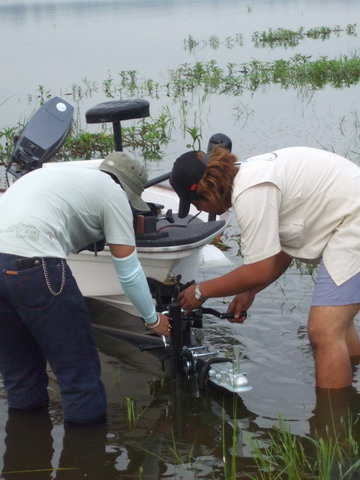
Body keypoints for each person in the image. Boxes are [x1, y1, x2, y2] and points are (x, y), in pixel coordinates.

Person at [169, 146, 360, 389]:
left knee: (324, 331)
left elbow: (259, 269)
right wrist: (250, 290)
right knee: (339, 326)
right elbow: (281, 250)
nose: (198, 210)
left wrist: (201, 291)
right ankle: (350, 393)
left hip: (353, 220)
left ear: (205, 192)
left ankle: (331, 422)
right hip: (348, 215)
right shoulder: (251, 176)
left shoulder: (251, 192)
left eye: (195, 203)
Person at [0, 152, 169, 423]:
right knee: (80, 378)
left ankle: (26, 450)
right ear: (129, 191)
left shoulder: (54, 176)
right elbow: (128, 272)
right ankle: (87, 460)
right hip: (36, 265)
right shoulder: (114, 194)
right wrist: (152, 318)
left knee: (20, 376)